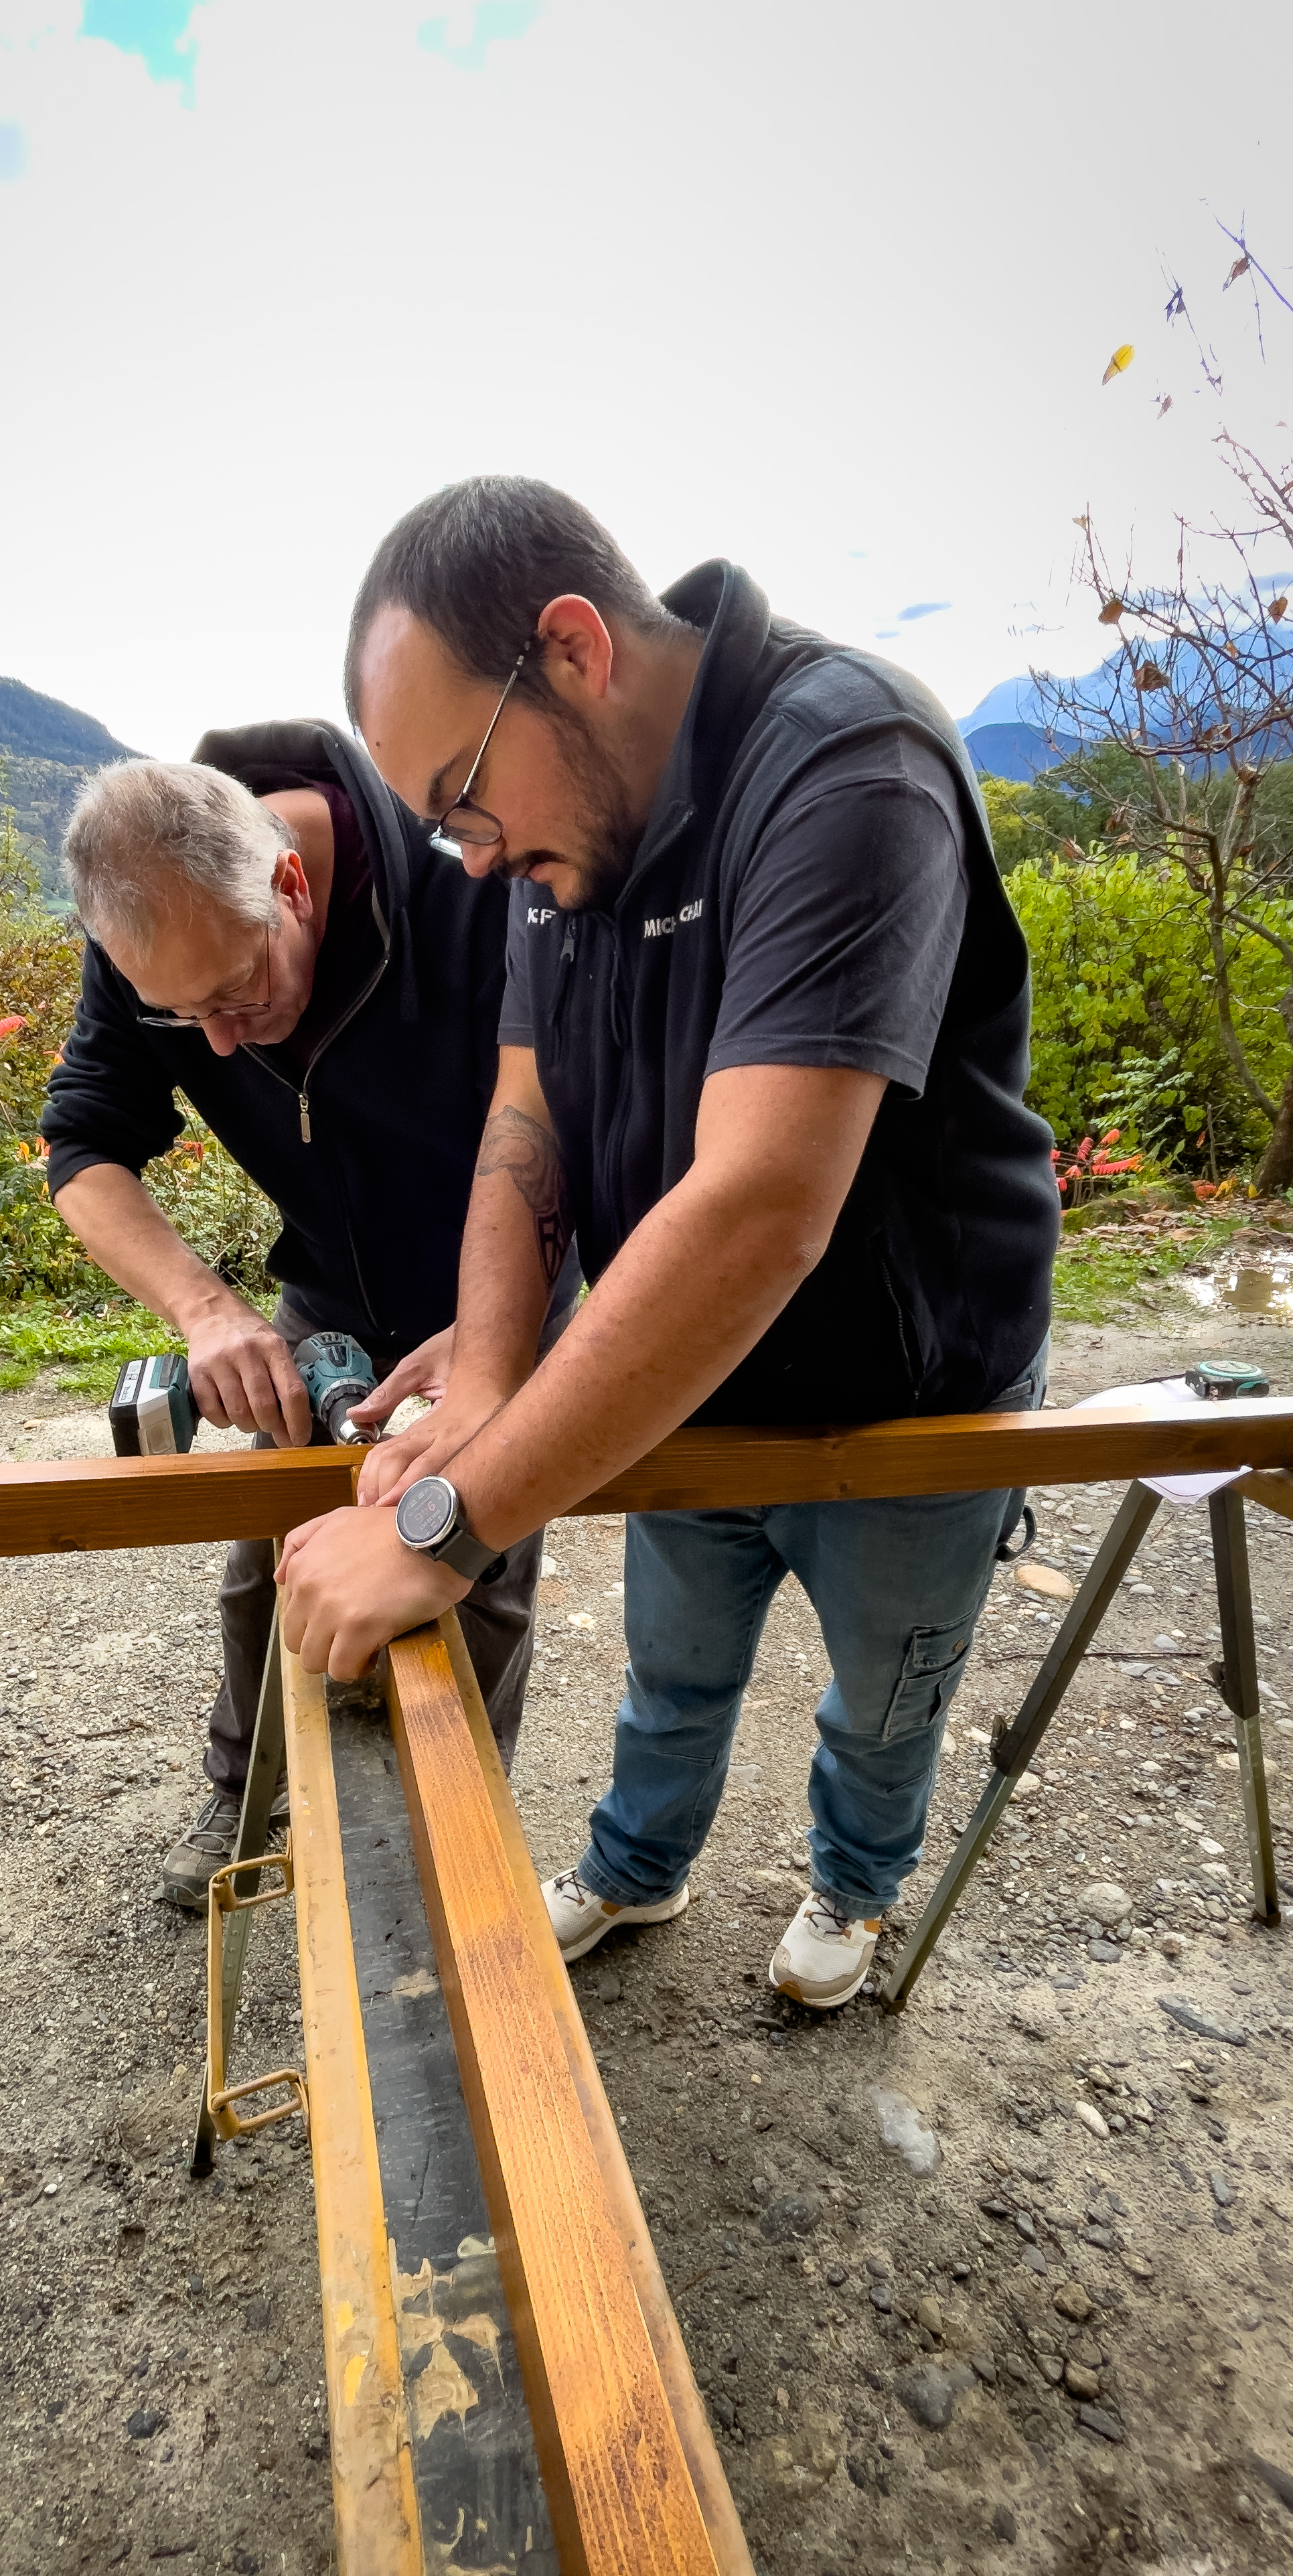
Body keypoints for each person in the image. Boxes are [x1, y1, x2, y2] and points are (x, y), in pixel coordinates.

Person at [277, 478, 1061, 2009]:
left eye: (464, 799)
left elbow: (762, 1208)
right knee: (673, 1669)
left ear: (572, 652)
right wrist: (490, 1388)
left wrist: (444, 1528)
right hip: (680, 1372)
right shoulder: (557, 843)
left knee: (885, 1698)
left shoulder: (846, 762)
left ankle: (853, 1888)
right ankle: (641, 1869)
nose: (473, 859)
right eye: (442, 829)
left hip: (911, 1391)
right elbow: (525, 1135)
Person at [42, 721, 573, 1909]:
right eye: (185, 1019)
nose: (221, 1039)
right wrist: (206, 1310)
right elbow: (82, 1144)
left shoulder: (470, 885)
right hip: (329, 1295)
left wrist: (498, 1343)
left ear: (291, 880)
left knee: (465, 1560)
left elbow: (579, 1123)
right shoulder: (154, 930)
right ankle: (242, 1795)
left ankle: (456, 1861)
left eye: (238, 989)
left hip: (501, 1289)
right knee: (268, 1559)